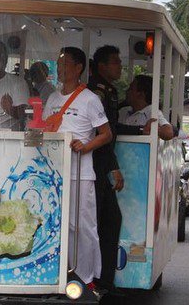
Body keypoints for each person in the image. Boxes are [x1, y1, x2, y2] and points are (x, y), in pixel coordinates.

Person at [43, 47, 113, 289]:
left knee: (83, 226)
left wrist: (85, 146)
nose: (60, 68)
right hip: (54, 173)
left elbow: (106, 134)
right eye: (59, 63)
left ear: (78, 67)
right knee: (59, 224)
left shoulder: (90, 99)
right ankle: (63, 272)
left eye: (65, 64)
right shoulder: (52, 98)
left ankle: (88, 277)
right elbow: (45, 130)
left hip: (81, 173)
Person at [88, 45, 124, 293]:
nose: (119, 66)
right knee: (99, 222)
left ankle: (104, 280)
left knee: (108, 220)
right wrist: (113, 167)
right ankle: (96, 280)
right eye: (115, 62)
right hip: (94, 164)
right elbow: (104, 135)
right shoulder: (96, 94)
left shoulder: (108, 91)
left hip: (101, 164)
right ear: (101, 66)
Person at [118, 75, 174, 140]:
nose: (127, 91)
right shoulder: (123, 111)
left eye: (131, 89)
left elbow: (169, 133)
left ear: (141, 94)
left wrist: (153, 129)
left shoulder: (152, 112)